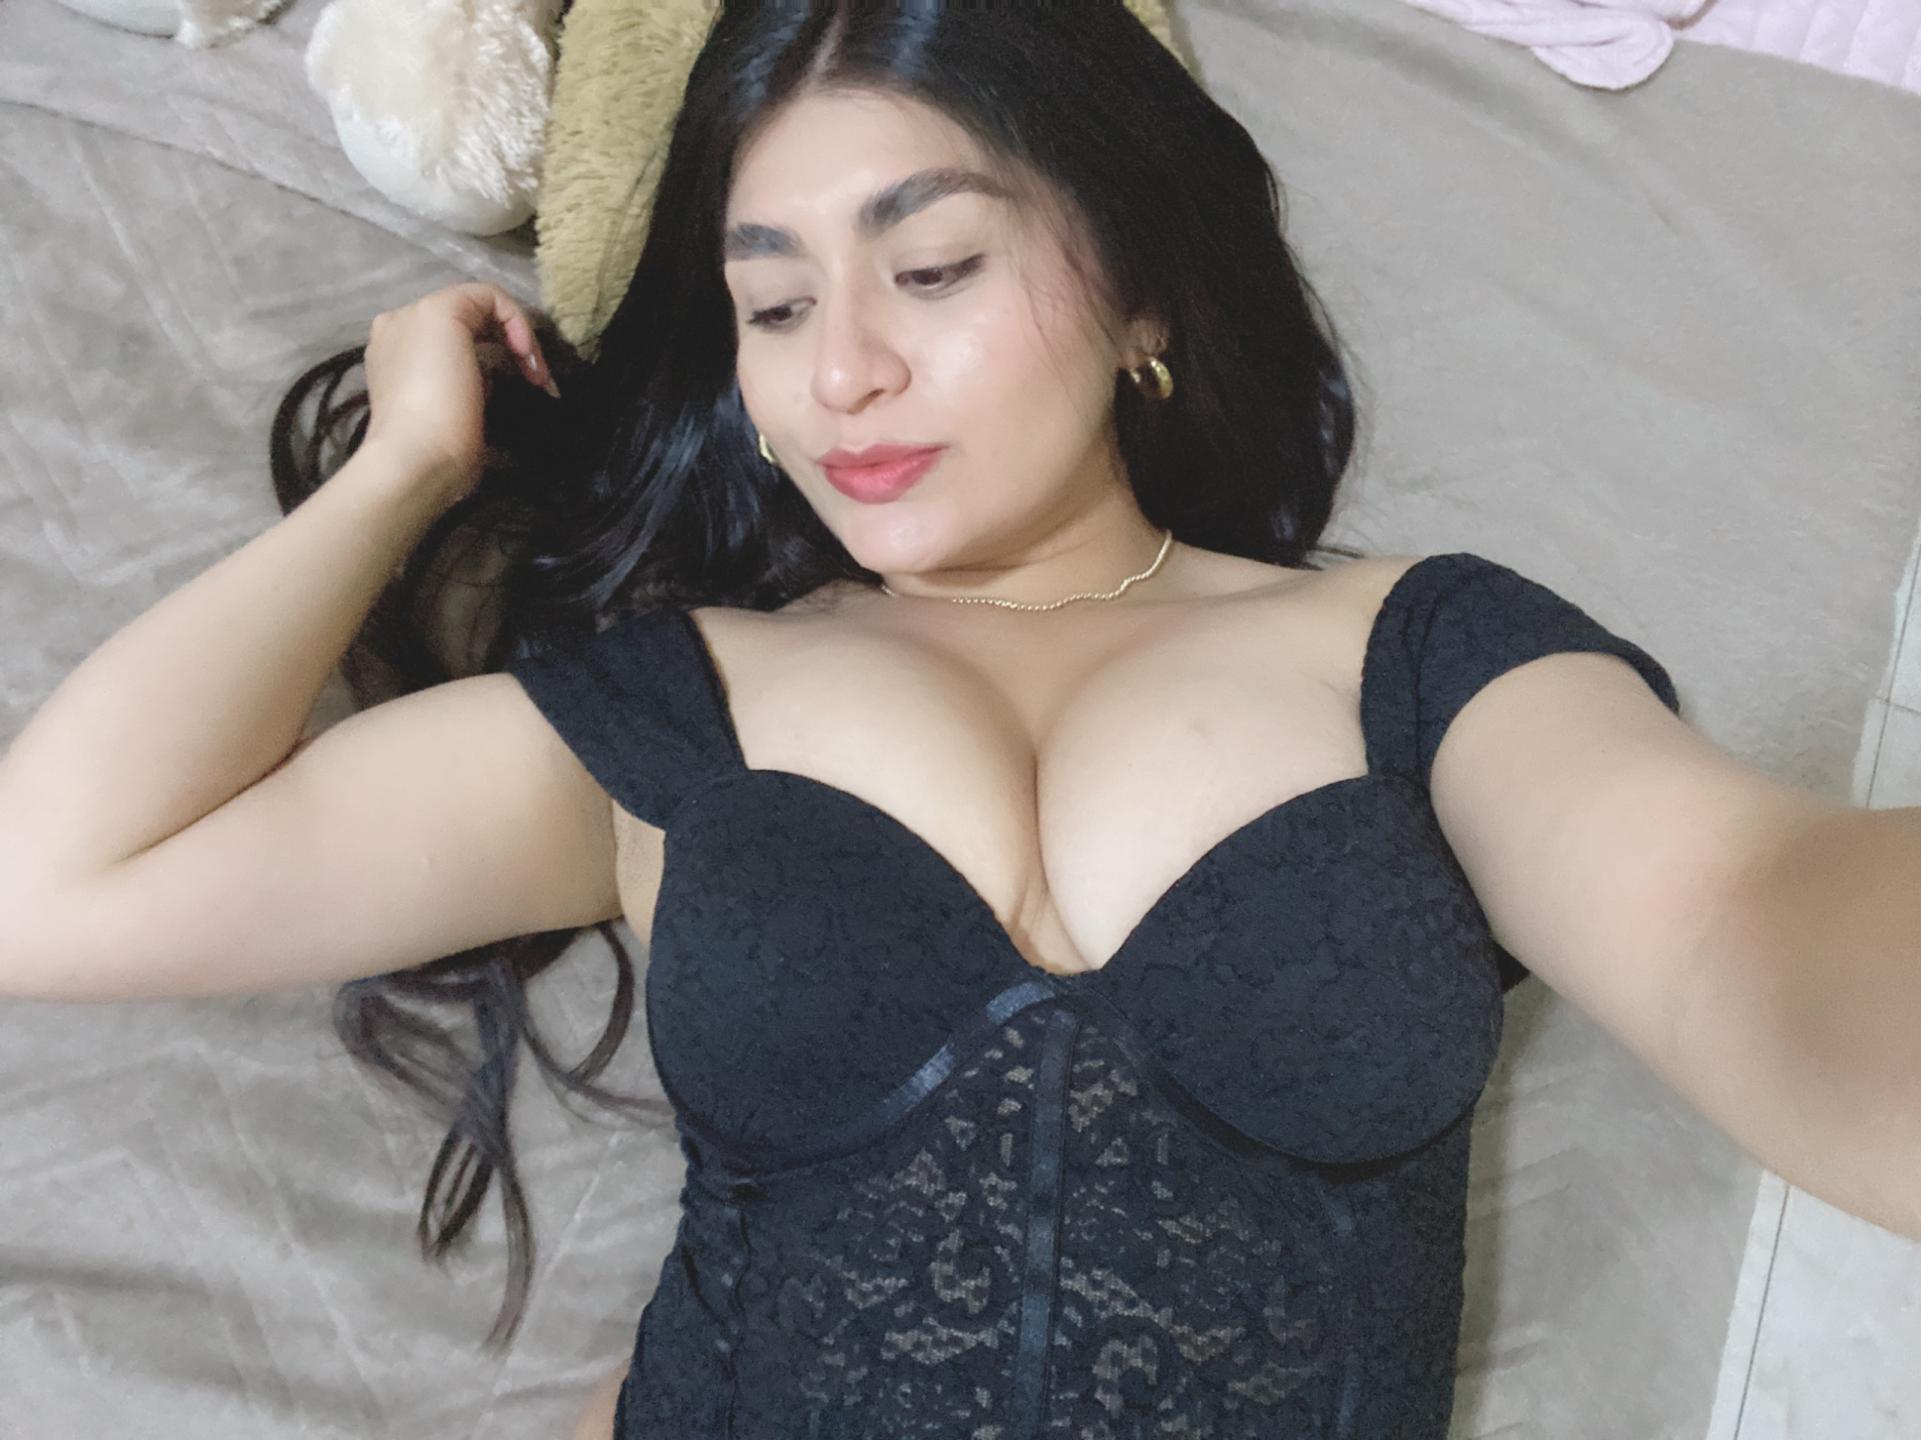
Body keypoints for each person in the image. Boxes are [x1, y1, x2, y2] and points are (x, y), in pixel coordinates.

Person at [2, 3, 1882, 1438]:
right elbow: (58, 886)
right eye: (770, 304)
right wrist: (401, 471)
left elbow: (1748, 918)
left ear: (1141, 290)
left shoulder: (1421, 657)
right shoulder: (674, 711)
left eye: (931, 268)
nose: (842, 369)